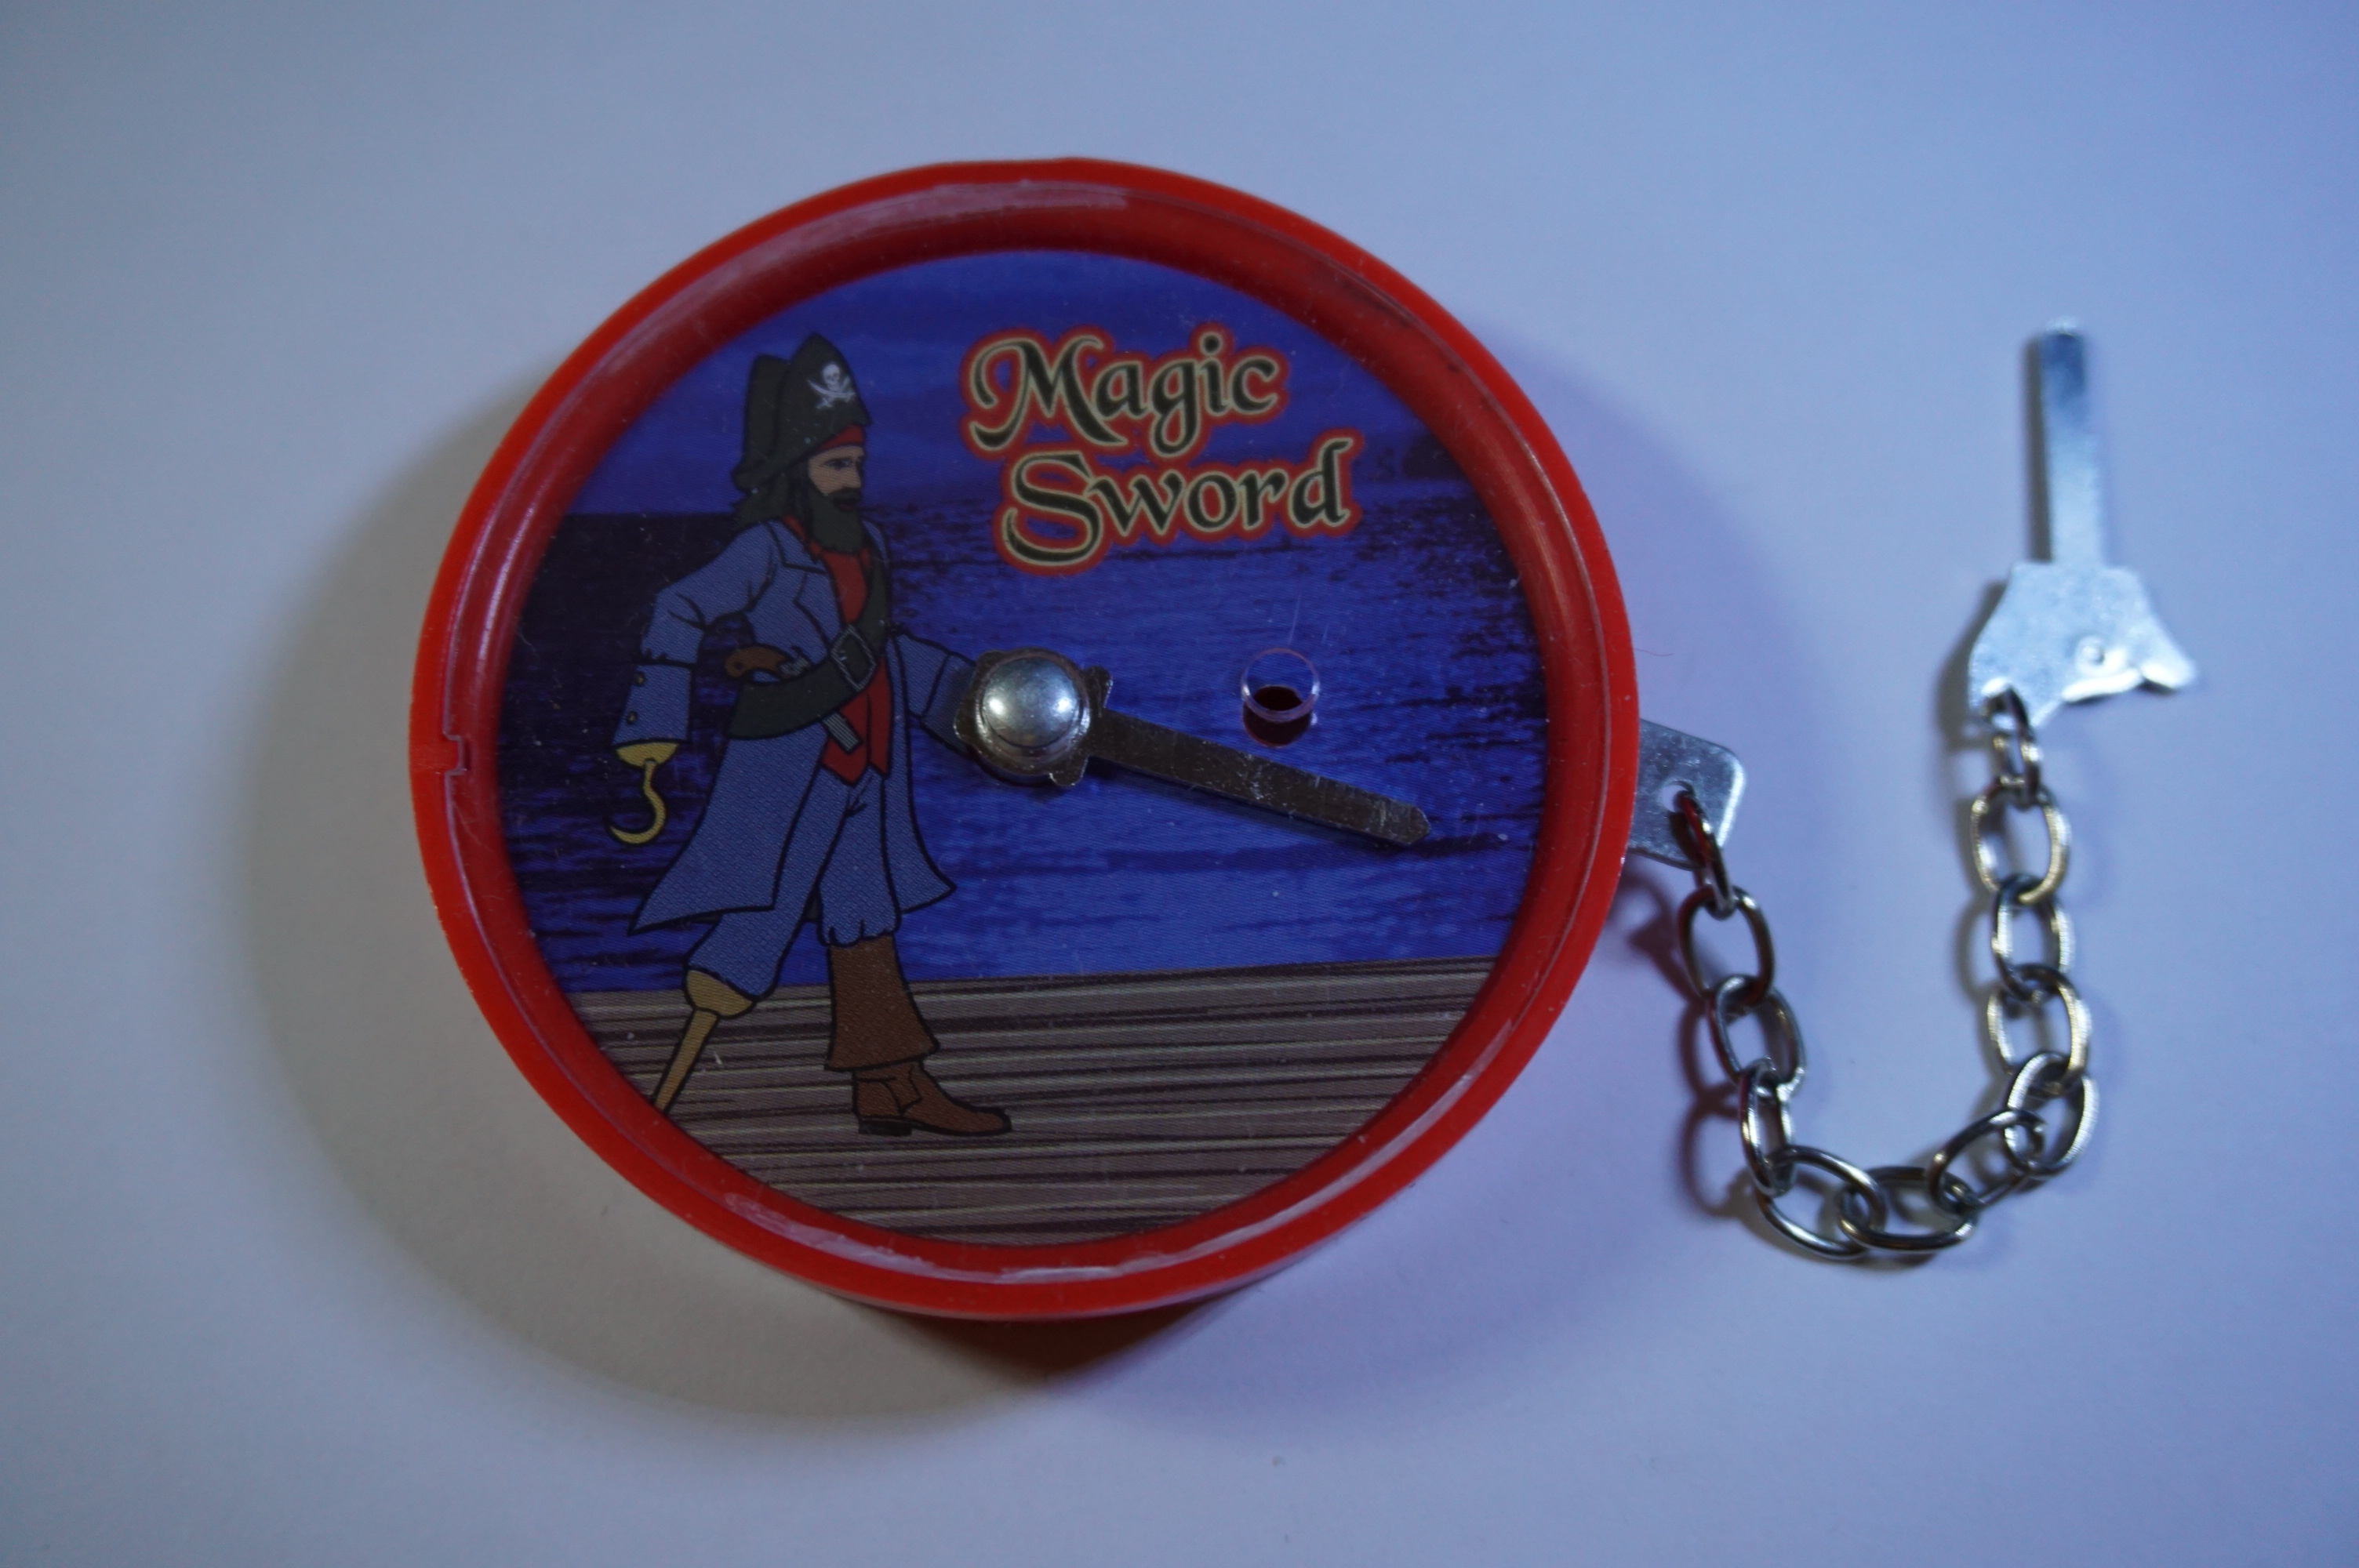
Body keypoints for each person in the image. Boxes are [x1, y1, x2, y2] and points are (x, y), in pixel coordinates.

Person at [610, 333, 1009, 1136]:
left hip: (870, 767)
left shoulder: (871, 547)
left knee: (863, 919)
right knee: (753, 929)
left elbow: (885, 653)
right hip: (797, 761)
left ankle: (888, 1088)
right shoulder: (765, 549)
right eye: (835, 466)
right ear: (798, 471)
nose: (851, 481)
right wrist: (656, 725)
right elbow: (680, 607)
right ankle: (652, 1108)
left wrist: (979, 706)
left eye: (857, 464)